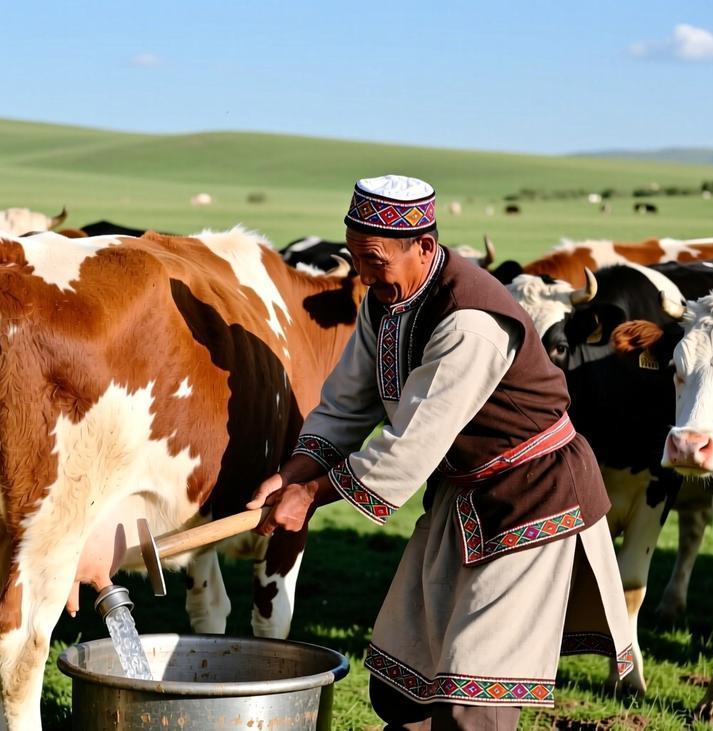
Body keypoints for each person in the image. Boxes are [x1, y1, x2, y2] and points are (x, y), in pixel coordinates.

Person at [248, 175, 632, 730]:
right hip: (464, 495)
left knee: (472, 704)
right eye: (355, 258)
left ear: (424, 247)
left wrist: (309, 495)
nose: (364, 275)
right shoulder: (384, 302)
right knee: (403, 681)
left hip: (534, 501)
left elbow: (407, 448)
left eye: (375, 260)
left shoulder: (470, 321)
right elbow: (344, 406)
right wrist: (290, 476)